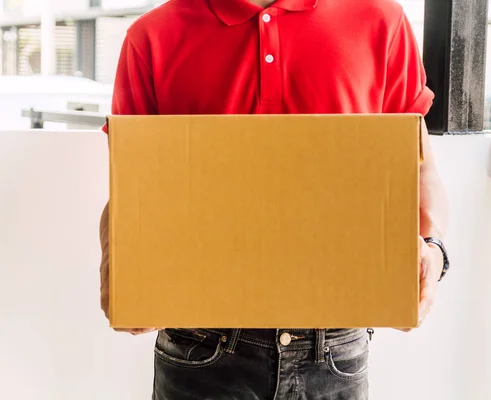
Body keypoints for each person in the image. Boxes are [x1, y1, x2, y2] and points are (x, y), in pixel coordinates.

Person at [99, 0, 450, 398]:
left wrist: (432, 248)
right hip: (201, 344)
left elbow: (419, 167)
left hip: (334, 346)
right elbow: (132, 188)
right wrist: (116, 269)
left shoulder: (380, 20)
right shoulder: (152, 36)